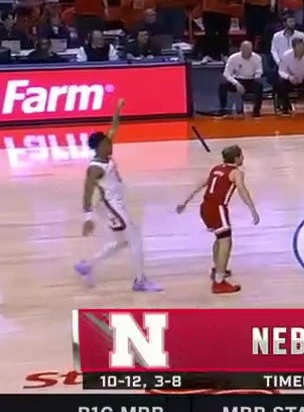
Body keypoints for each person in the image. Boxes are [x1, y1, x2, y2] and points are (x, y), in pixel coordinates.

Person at [74, 99, 162, 292]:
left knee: (121, 242)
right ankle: (140, 281)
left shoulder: (106, 152)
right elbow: (87, 191)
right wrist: (87, 218)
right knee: (135, 239)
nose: (110, 144)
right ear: (98, 147)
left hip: (116, 204)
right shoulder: (95, 168)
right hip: (112, 206)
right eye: (107, 143)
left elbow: (114, 126)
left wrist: (118, 109)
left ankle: (87, 265)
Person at [176, 145, 260, 293]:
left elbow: (199, 185)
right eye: (241, 155)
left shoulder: (215, 169)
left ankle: (217, 269)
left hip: (205, 207)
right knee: (226, 241)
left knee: (220, 238)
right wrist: (252, 208)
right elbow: (242, 190)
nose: (243, 158)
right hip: (218, 208)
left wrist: (184, 202)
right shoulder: (236, 173)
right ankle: (219, 281)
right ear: (236, 158)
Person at [219, 40, 264, 117]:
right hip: (237, 80)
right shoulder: (233, 58)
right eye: (245, 50)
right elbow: (226, 73)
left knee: (259, 86)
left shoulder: (257, 58)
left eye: (249, 50)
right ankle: (224, 108)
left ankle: (256, 111)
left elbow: (259, 71)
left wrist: (256, 75)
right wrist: (236, 83)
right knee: (222, 86)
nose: (247, 52)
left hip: (251, 80)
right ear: (241, 49)